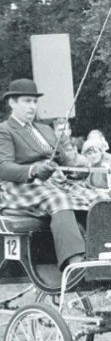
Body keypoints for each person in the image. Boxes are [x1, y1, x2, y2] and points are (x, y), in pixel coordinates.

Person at [0, 78, 104, 270]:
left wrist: (78, 169)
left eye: (34, 101)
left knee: (99, 197)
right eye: (26, 101)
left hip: (55, 182)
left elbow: (65, 161)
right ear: (12, 103)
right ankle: (75, 264)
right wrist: (33, 170)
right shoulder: (4, 130)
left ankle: (105, 255)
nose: (32, 106)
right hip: (22, 185)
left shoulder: (45, 130)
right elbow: (4, 167)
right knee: (59, 201)